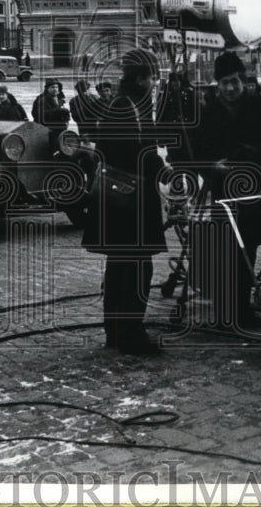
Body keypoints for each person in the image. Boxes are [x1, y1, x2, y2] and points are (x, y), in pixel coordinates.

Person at [82, 49, 168, 353]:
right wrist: (163, 168)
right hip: (129, 203)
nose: (154, 84)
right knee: (135, 269)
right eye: (151, 78)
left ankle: (117, 332)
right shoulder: (128, 107)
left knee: (121, 268)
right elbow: (134, 153)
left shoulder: (124, 103)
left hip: (120, 203)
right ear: (140, 79)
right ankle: (131, 334)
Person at [199, 52, 261, 330]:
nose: (229, 88)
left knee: (246, 248)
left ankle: (240, 309)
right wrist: (212, 166)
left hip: (257, 191)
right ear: (217, 83)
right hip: (225, 192)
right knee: (225, 250)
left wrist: (251, 156)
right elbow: (199, 149)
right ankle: (228, 309)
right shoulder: (210, 111)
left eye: (234, 82)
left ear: (244, 81)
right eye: (224, 83)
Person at [32, 78, 70, 151]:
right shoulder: (43, 100)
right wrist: (58, 111)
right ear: (47, 89)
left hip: (62, 129)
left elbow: (65, 111)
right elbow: (40, 115)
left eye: (56, 87)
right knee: (52, 150)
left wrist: (67, 119)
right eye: (52, 87)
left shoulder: (60, 98)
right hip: (50, 130)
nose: (55, 89)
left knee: (62, 149)